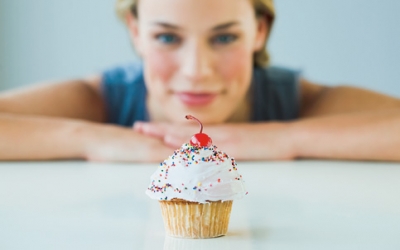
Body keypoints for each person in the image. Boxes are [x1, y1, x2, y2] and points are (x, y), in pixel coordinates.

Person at [0, 0, 399, 163]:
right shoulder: (102, 99)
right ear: (135, 31)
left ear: (259, 31)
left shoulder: (294, 101)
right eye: (167, 37)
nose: (196, 70)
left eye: (224, 38)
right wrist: (93, 139)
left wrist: (282, 138)